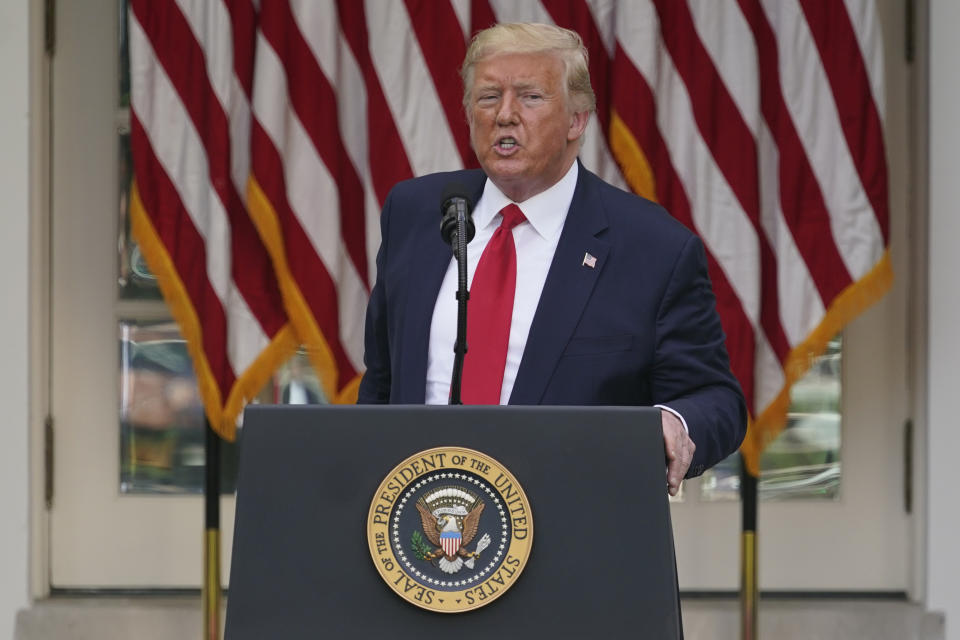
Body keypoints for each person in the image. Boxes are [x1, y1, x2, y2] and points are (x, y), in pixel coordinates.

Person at [357, 23, 746, 494]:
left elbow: (715, 398)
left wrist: (676, 423)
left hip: (573, 530)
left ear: (577, 120)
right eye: (487, 97)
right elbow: (381, 384)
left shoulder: (653, 248)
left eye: (530, 97)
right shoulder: (418, 213)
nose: (505, 115)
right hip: (417, 530)